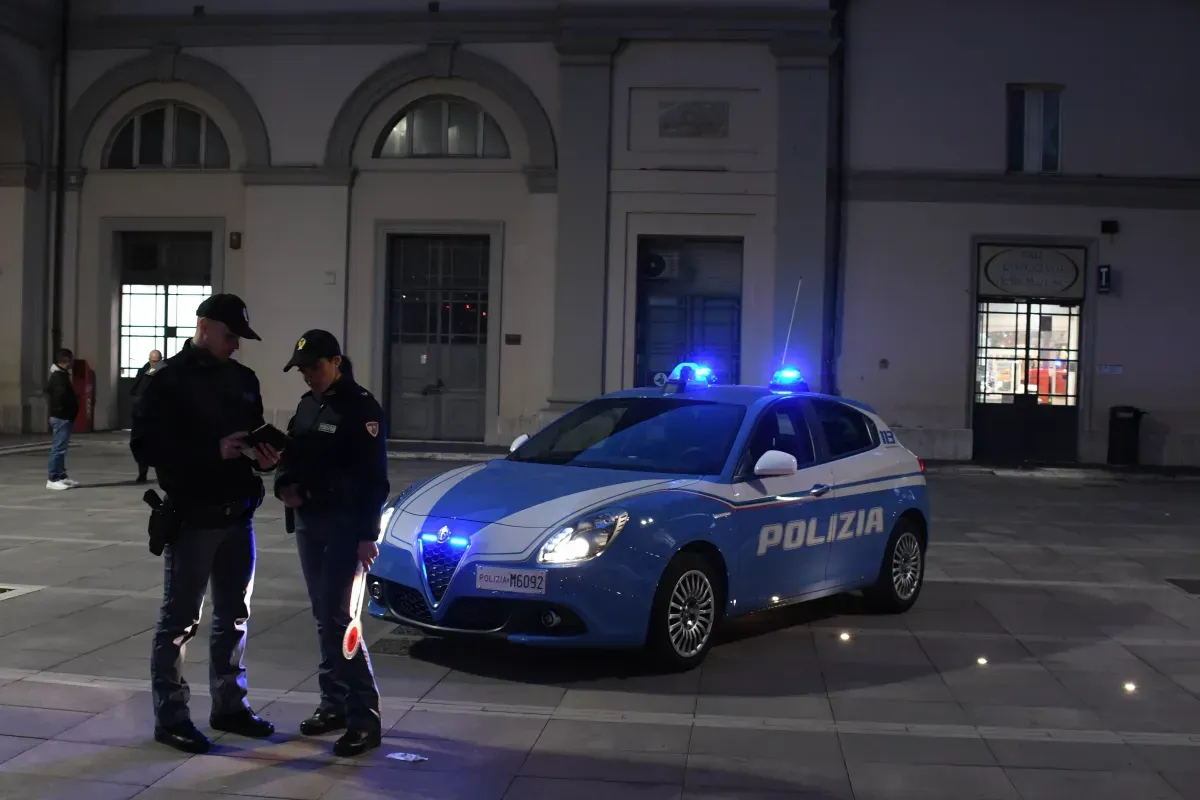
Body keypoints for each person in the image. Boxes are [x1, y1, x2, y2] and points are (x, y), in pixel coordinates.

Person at [130, 293, 282, 755]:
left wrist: (264, 457)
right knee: (179, 620)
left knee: (234, 617)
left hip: (238, 513)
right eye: (231, 335)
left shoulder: (243, 379)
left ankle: (229, 706)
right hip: (193, 516)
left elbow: (254, 435)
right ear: (205, 326)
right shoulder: (168, 382)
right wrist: (211, 451)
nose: (236, 345)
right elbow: (146, 447)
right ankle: (171, 717)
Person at [274, 329, 389, 757]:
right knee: (324, 616)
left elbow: (375, 479)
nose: (308, 375)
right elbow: (291, 457)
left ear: (336, 362)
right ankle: (334, 703)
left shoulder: (361, 409)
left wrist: (367, 535)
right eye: (302, 369)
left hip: (344, 527)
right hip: (309, 522)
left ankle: (365, 717)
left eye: (315, 367)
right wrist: (284, 484)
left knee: (341, 619)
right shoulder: (307, 407)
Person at [45, 348, 79, 491]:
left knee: (61, 449)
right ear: (66, 360)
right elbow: (59, 398)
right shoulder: (59, 377)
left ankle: (61, 476)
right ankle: (53, 478)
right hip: (61, 417)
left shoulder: (61, 374)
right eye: (71, 359)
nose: (72, 362)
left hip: (64, 417)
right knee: (58, 449)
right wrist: (67, 411)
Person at [130, 349, 163, 483]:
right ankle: (142, 473)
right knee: (139, 444)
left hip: (156, 416)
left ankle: (161, 475)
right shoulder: (145, 370)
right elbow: (137, 390)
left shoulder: (164, 371)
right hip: (140, 414)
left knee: (158, 446)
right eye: (152, 361)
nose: (153, 363)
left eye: (156, 361)